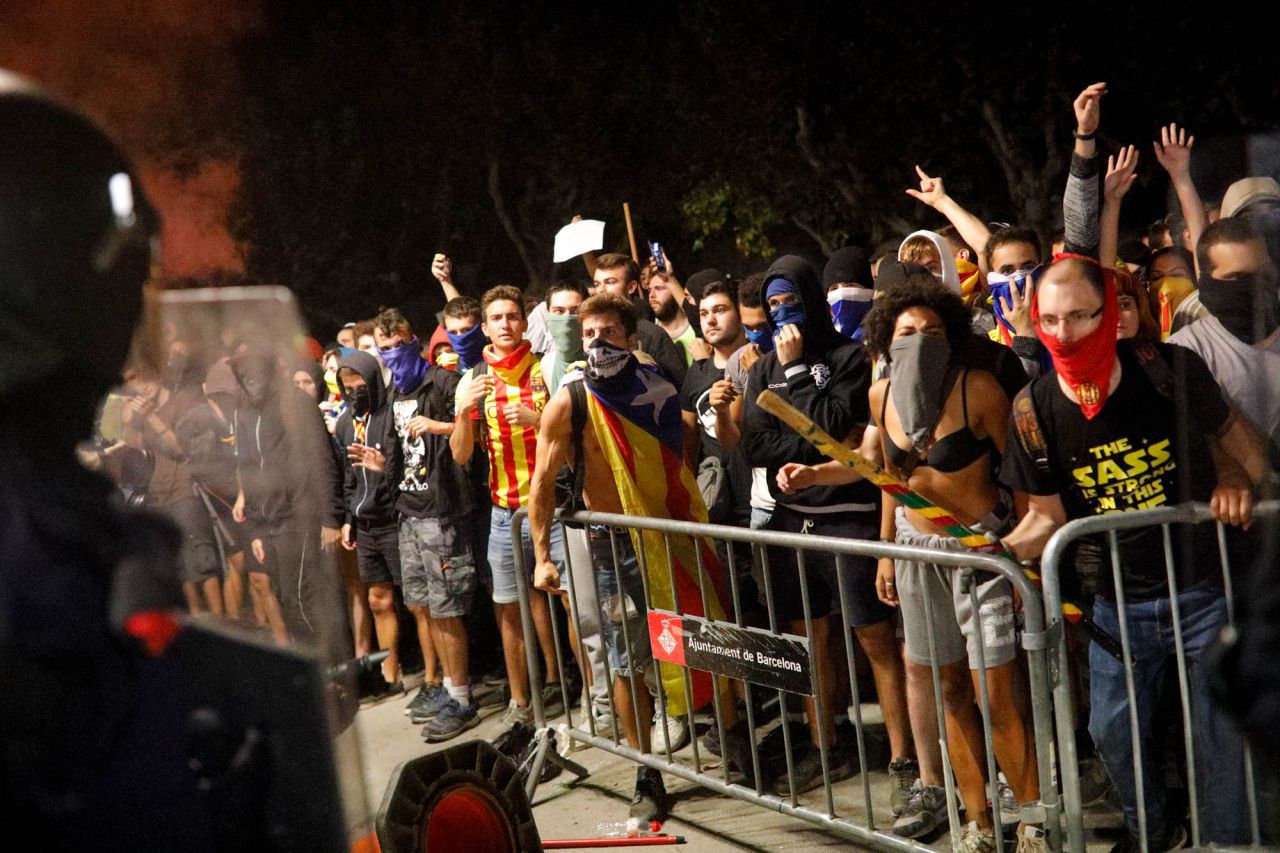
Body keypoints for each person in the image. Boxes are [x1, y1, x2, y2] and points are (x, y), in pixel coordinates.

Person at [998, 254, 1268, 851]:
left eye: (1080, 316)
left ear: (1109, 315)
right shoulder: (1031, 410)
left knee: (1220, 737)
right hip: (1115, 607)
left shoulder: (1167, 369)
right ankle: (1154, 834)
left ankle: (1226, 843)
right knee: (1113, 733)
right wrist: (997, 553)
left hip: (1205, 590)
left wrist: (1239, 483)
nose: (1065, 333)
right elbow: (1047, 517)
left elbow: (1242, 447)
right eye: (1050, 320)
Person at [782, 274, 1042, 849]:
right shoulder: (881, 394)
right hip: (914, 552)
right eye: (906, 332)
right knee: (949, 688)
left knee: (995, 694)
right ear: (885, 340)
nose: (920, 339)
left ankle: (1032, 819)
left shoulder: (979, 390)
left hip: (980, 554)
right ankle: (977, 819)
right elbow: (881, 475)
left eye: (932, 330)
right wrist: (822, 484)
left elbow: (1022, 480)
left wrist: (1022, 558)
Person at [529, 293, 753, 823]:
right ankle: (645, 772)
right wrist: (541, 556)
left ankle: (734, 741)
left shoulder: (656, 386)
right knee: (627, 661)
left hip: (673, 537)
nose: (598, 343)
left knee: (703, 635)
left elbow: (685, 441)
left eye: (609, 333)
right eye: (589, 334)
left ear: (632, 339)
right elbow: (541, 482)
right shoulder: (570, 400)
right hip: (613, 547)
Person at [740, 255, 913, 796]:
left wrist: (796, 375)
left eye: (789, 300)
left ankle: (904, 759)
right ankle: (827, 748)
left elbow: (838, 425)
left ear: (811, 299)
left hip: (851, 522)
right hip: (795, 523)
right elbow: (756, 446)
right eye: (771, 304)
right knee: (810, 643)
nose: (780, 312)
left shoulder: (848, 357)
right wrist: (811, 441)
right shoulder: (761, 368)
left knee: (874, 641)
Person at [450, 285, 566, 728]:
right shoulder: (473, 379)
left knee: (571, 604)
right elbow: (461, 454)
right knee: (509, 610)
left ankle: (581, 693)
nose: (505, 324)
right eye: (496, 318)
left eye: (512, 316)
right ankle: (520, 702)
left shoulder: (546, 367)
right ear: (484, 327)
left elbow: (574, 435)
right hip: (504, 514)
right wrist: (463, 412)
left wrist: (539, 420)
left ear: (524, 322)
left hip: (554, 508)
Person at [373, 307, 487, 740]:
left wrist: (437, 425)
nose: (392, 353)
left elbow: (475, 426)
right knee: (424, 607)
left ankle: (462, 697)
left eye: (398, 344)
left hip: (443, 511)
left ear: (414, 341)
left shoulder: (442, 380)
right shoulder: (396, 391)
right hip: (409, 511)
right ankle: (446, 688)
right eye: (384, 348)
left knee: (447, 609)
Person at [1170, 217, 1280, 470]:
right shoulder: (1187, 351)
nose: (1254, 286)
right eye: (1237, 277)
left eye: (1263, 274)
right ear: (1209, 282)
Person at [333, 350, 410, 700]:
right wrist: (348, 519)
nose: (354, 393)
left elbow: (408, 465)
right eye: (347, 388)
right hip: (365, 525)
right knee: (378, 600)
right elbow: (348, 477)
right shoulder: (346, 423)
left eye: (359, 386)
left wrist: (385, 468)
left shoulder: (390, 414)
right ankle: (390, 673)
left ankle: (437, 675)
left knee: (418, 604)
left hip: (395, 519)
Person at [591, 252, 688, 387]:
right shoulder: (591, 335)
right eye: (597, 284)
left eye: (610, 282)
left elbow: (681, 389)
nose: (601, 290)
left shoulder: (652, 336)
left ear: (631, 287)